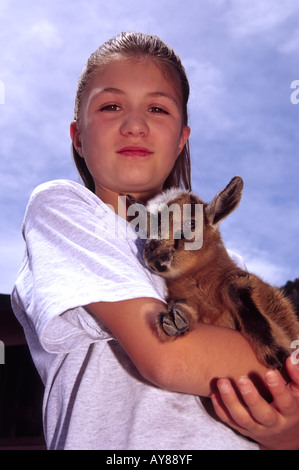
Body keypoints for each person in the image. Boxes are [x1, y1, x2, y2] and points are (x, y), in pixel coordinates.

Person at [11, 32, 299, 450]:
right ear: (77, 135)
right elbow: (169, 357)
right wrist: (285, 372)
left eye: (157, 108)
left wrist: (288, 434)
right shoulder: (66, 211)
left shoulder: (222, 260)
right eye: (111, 106)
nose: (134, 124)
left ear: (181, 138)